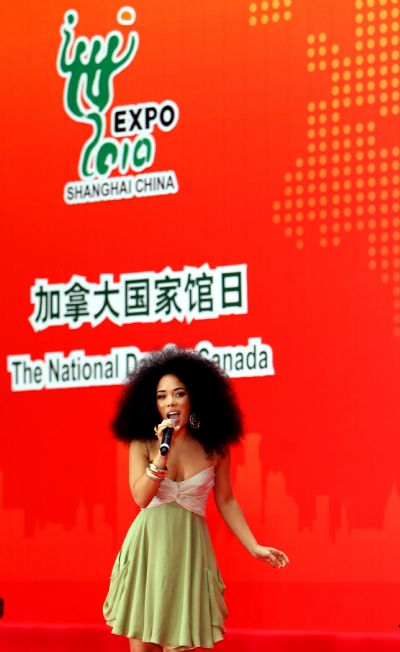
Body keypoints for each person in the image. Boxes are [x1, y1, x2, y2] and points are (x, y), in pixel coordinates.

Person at [103, 346, 289, 651]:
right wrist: (162, 454)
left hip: (189, 550)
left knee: (183, 644)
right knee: (143, 646)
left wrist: (253, 545)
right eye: (161, 396)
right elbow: (140, 497)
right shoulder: (143, 443)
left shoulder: (215, 448)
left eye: (178, 393)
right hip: (148, 548)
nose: (170, 402)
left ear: (195, 397)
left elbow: (226, 500)